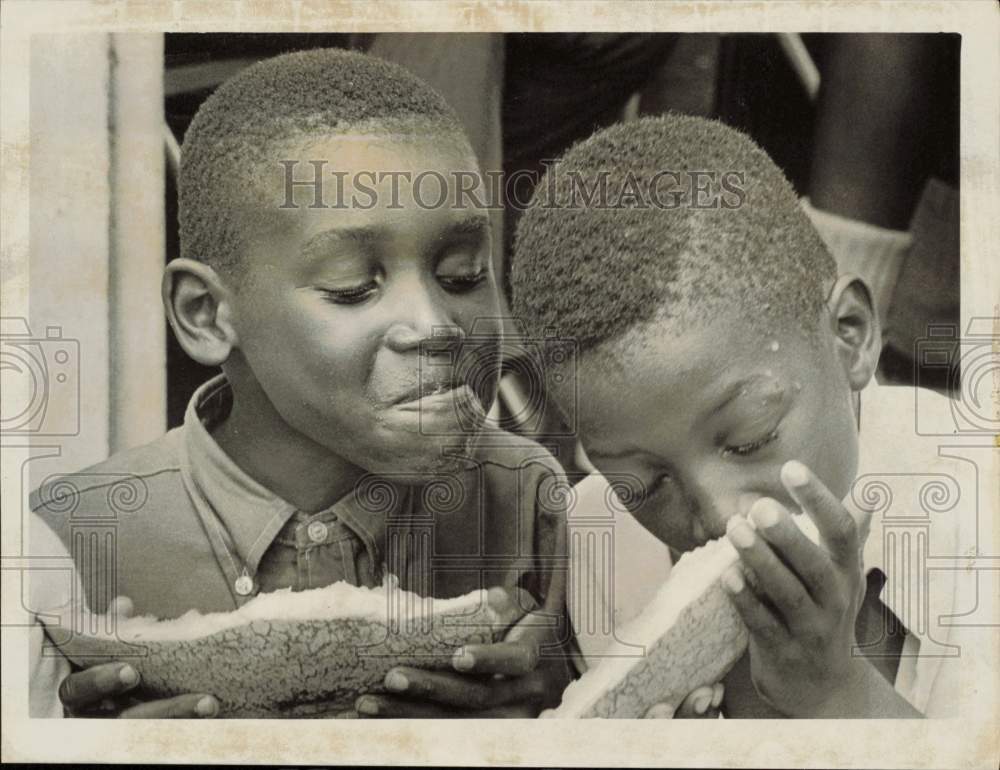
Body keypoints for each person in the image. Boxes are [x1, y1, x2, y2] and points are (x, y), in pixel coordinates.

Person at [28, 48, 574, 719]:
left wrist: (560, 707)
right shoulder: (67, 537)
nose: (435, 324)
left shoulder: (526, 497)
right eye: (352, 287)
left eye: (462, 273)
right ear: (206, 314)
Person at [510, 114, 974, 717]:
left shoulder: (974, 524)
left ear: (850, 336)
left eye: (750, 439)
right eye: (647, 484)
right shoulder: (602, 551)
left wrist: (839, 696)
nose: (719, 517)